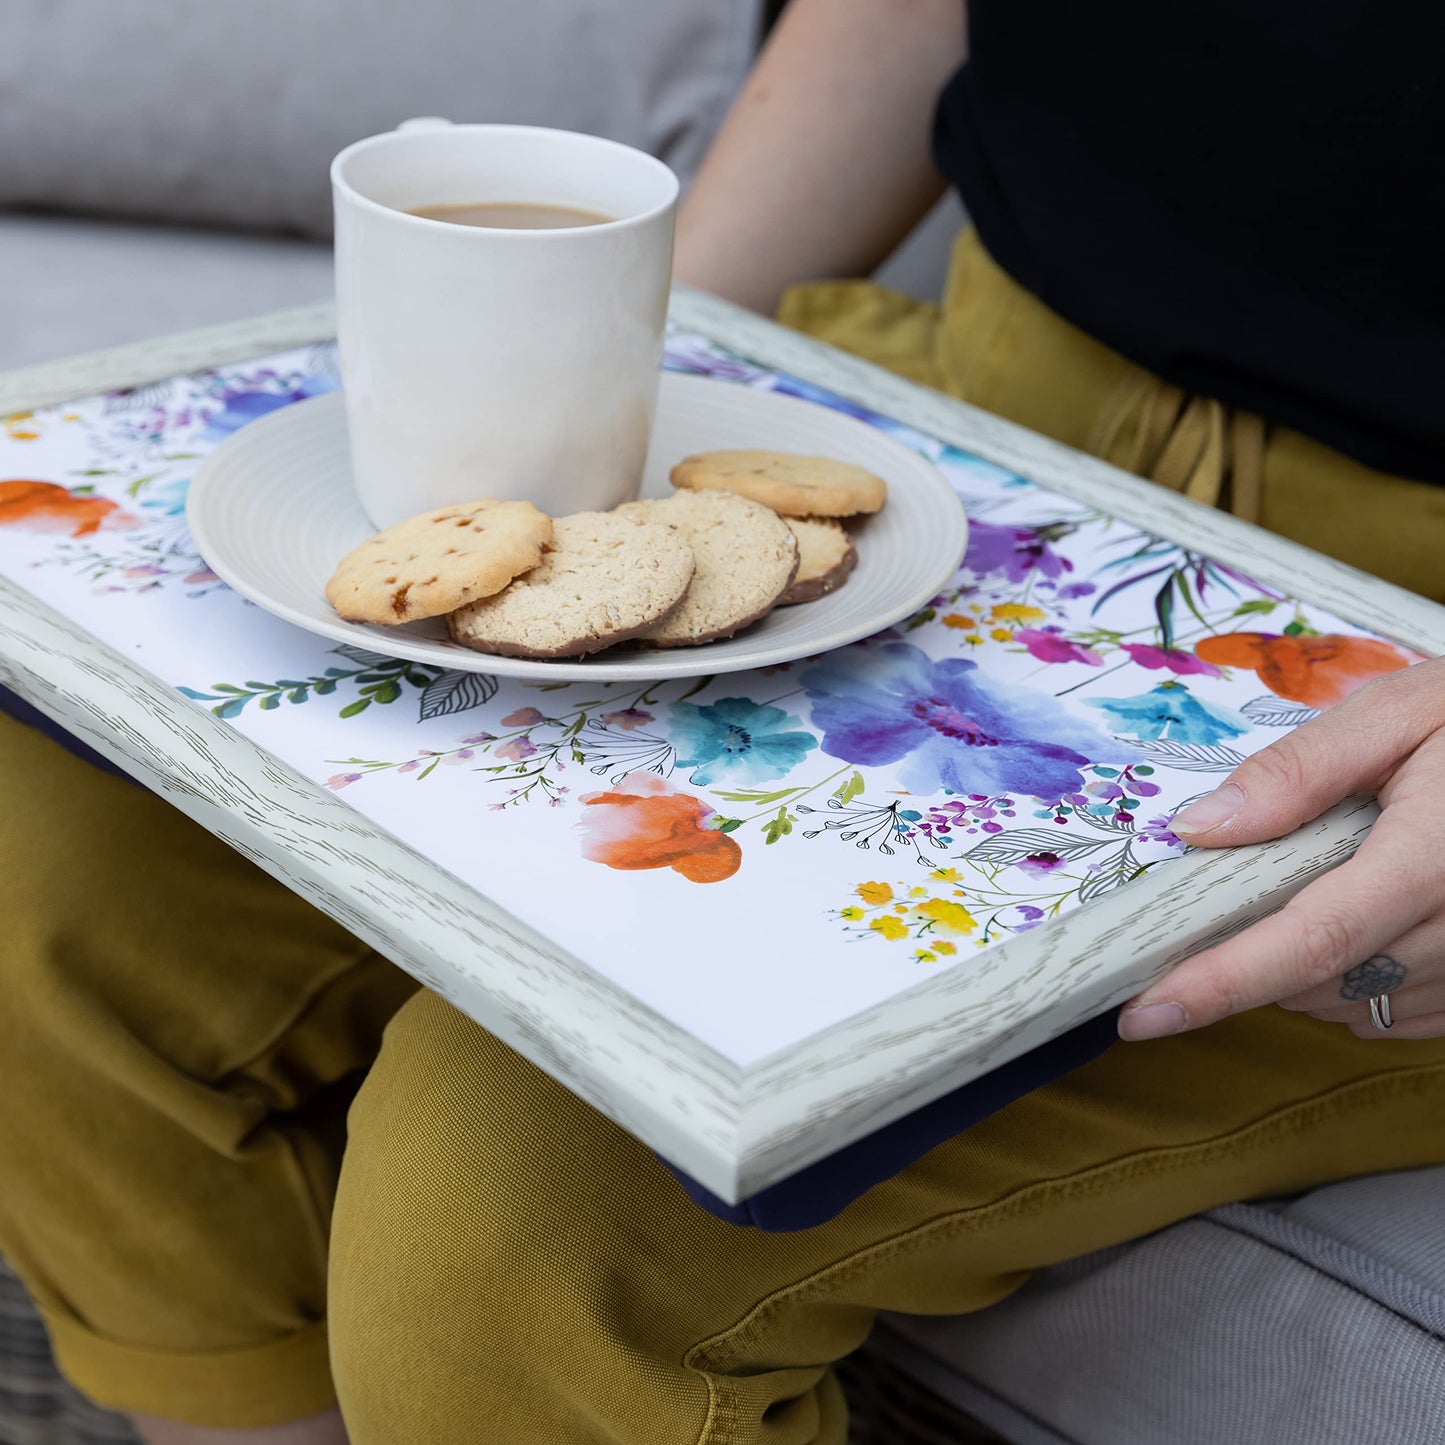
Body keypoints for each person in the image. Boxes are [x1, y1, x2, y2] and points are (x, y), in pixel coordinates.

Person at [5, 1, 1445, 1441]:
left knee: (505, 1207)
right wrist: (626, 346)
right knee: (41, 873)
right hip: (954, 414)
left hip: (1395, 666)